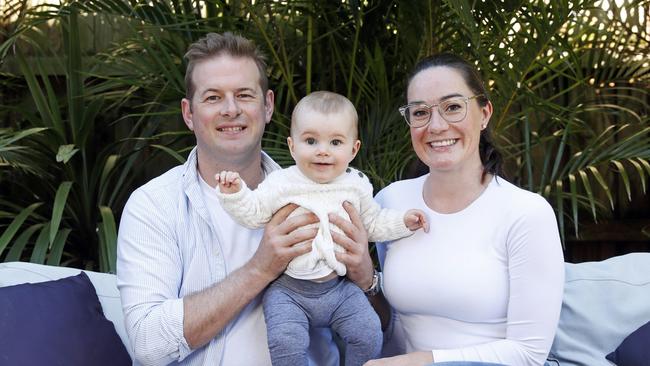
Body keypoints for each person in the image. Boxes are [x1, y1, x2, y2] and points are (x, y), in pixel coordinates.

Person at [116, 32, 372, 366]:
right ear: (189, 113)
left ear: (267, 106)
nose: (231, 110)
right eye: (212, 98)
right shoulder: (153, 205)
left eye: (244, 95)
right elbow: (148, 344)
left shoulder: (336, 194)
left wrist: (366, 279)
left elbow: (373, 327)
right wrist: (260, 268)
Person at [363, 53, 565, 366]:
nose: (436, 125)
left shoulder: (526, 213)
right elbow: (394, 327)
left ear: (484, 113)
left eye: (453, 107)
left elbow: (529, 354)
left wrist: (425, 361)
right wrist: (366, 279)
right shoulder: (390, 201)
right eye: (420, 112)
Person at [214, 91, 429, 366]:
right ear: (292, 146)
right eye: (311, 140)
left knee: (368, 334)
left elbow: (372, 223)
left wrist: (403, 222)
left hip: (339, 289)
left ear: (353, 149)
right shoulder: (282, 183)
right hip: (289, 291)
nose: (322, 150)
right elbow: (253, 213)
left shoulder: (356, 185)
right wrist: (234, 193)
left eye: (336, 142)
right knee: (284, 342)